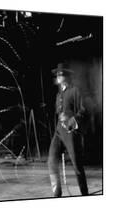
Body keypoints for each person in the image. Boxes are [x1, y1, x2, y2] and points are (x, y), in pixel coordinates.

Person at [48, 63, 88, 197]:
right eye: (57, 74)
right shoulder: (59, 94)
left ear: (66, 76)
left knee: (77, 166)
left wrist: (71, 119)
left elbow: (83, 110)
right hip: (59, 131)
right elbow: (58, 112)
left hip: (71, 132)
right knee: (51, 161)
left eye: (61, 74)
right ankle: (57, 194)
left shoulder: (75, 90)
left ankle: (85, 194)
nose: (58, 76)